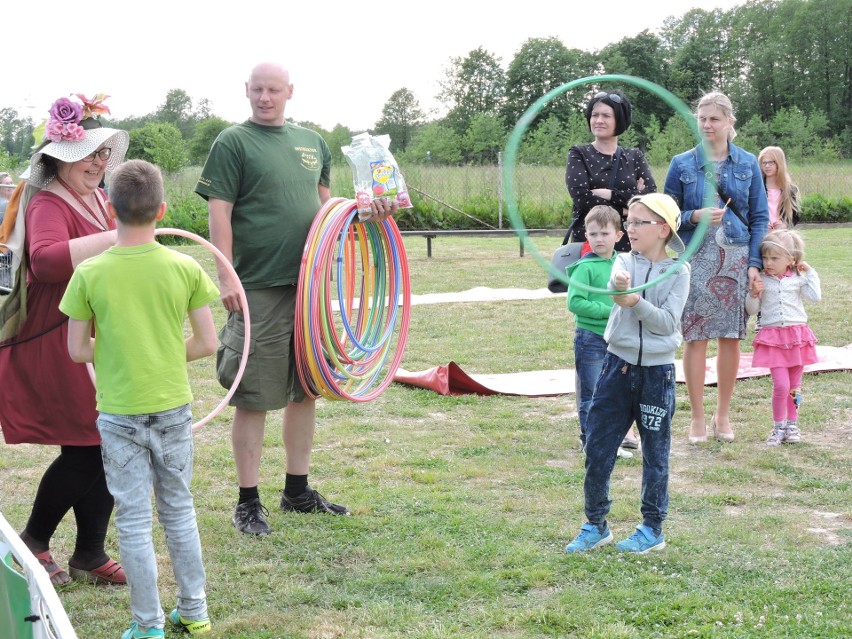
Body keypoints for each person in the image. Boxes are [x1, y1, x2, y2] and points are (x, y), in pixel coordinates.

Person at [195, 61, 397, 535]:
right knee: (254, 395)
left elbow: (325, 209)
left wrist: (369, 213)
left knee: (305, 388)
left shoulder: (313, 142)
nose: (265, 98)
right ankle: (248, 502)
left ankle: (297, 490)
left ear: (290, 91)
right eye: (258, 90)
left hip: (308, 284)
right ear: (246, 90)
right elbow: (218, 214)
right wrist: (226, 276)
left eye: (274, 90)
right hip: (257, 284)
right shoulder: (232, 142)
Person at [61, 159, 218, 639]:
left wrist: (115, 358)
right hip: (172, 407)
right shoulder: (184, 265)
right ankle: (193, 611)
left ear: (110, 210)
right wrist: (165, 356)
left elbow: (76, 350)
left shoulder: (90, 272)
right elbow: (208, 342)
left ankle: (147, 625)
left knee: (132, 519)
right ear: (163, 209)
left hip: (119, 412)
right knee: (178, 509)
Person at [0, 94, 129, 586]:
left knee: (109, 440)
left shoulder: (97, 195)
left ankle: (89, 553)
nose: (99, 162)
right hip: (55, 338)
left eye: (103, 153)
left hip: (94, 334)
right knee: (88, 445)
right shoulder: (50, 199)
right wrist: (121, 237)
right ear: (61, 156)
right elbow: (47, 261)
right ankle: (33, 542)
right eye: (89, 153)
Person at [565, 193, 690, 554]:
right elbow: (615, 291)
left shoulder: (678, 271)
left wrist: (636, 301)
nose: (630, 229)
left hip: (656, 374)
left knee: (655, 452)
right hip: (615, 367)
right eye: (629, 221)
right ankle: (595, 524)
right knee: (599, 447)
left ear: (663, 229)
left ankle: (652, 529)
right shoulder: (622, 262)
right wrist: (621, 291)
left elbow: (667, 323)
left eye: (638, 222)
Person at [664, 91, 769, 444]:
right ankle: (696, 417)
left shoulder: (747, 163)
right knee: (695, 338)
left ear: (729, 122)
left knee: (730, 338)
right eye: (702, 118)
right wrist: (694, 216)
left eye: (714, 119)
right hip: (694, 260)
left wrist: (755, 264)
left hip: (736, 257)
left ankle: (722, 416)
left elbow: (758, 217)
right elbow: (666, 216)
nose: (707, 125)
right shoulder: (681, 164)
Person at [745, 230, 820, 446]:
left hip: (797, 337)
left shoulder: (797, 279)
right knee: (780, 386)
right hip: (773, 339)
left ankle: (792, 425)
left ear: (791, 260)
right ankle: (778, 427)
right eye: (765, 257)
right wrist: (753, 293)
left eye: (774, 258)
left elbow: (815, 297)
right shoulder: (762, 280)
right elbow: (751, 310)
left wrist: (810, 273)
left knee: (795, 386)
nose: (768, 262)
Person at [566, 205, 630, 453]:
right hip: (590, 339)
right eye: (593, 234)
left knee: (614, 394)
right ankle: (590, 442)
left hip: (616, 338)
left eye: (604, 233)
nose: (598, 239)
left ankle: (610, 442)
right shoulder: (585, 267)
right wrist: (610, 311)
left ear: (618, 235)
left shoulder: (621, 263)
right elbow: (575, 302)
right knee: (591, 393)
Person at [565, 89, 656, 255]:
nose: (599, 120)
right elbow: (582, 198)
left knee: (627, 281)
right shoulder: (579, 153)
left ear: (619, 119)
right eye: (595, 115)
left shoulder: (634, 156)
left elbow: (649, 198)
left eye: (606, 116)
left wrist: (609, 194)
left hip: (629, 243)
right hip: (591, 244)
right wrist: (626, 208)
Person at [758, 146, 801, 230]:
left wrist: (785, 225)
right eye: (764, 163)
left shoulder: (790, 190)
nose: (767, 166)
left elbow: (795, 215)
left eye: (771, 162)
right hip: (761, 233)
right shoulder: (756, 189)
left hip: (781, 235)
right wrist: (761, 224)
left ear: (779, 163)